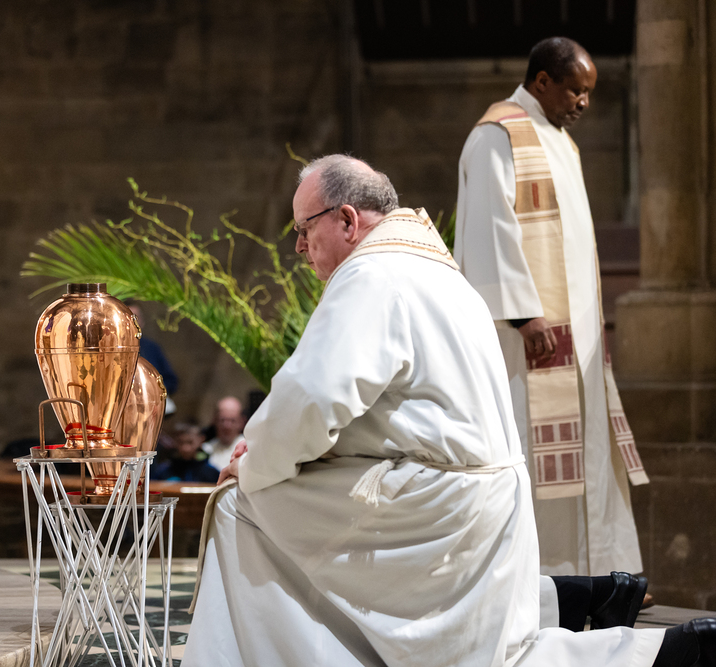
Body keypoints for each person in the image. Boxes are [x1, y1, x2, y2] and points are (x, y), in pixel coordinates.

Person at [183, 154, 714, 667]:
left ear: (346, 220)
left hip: (439, 506)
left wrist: (252, 460)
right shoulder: (435, 270)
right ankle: (646, 638)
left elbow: (313, 399)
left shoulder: (372, 275)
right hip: (482, 499)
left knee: (240, 505)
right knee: (497, 657)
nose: (300, 246)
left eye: (304, 228)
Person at [454, 37, 646, 576]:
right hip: (529, 334)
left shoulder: (560, 141)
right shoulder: (498, 135)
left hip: (577, 334)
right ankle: (544, 577)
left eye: (589, 93)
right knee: (534, 451)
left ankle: (597, 573)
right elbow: (489, 228)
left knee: (587, 451)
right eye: (575, 90)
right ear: (542, 81)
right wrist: (524, 313)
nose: (583, 102)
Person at [152, 423, 220, 483]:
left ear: (201, 440)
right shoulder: (163, 471)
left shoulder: (212, 473)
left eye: (190, 442)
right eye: (181, 442)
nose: (185, 448)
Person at [200, 396, 246, 471]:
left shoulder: (248, 448)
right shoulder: (206, 449)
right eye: (222, 420)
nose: (226, 426)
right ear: (214, 420)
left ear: (241, 422)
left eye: (232, 421)